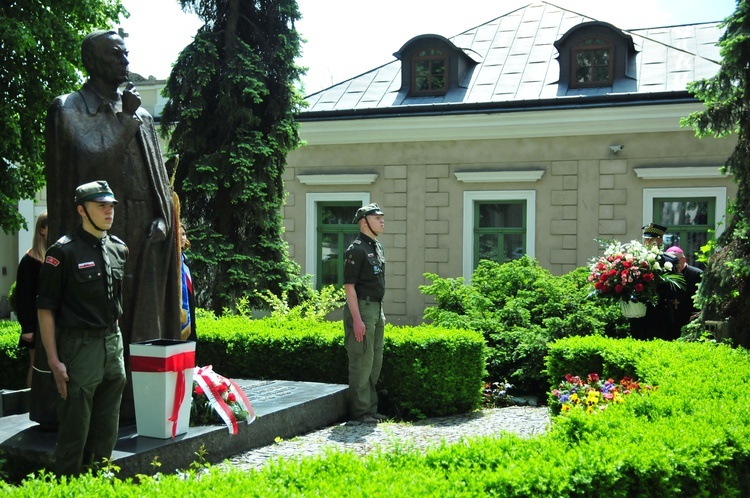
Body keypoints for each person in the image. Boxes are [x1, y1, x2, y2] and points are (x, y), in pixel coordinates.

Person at [42, 30, 181, 423]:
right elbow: (87, 168)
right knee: (102, 315)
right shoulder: (68, 108)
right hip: (96, 235)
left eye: (125, 53)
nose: (124, 59)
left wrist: (162, 217)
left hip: (144, 232)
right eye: (114, 53)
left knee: (143, 320)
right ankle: (99, 408)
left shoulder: (140, 112)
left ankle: (141, 402)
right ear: (93, 61)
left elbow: (159, 178)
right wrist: (122, 124)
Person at [36, 181, 128, 476]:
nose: (108, 211)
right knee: (75, 430)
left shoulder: (118, 248)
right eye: (101, 205)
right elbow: (45, 308)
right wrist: (53, 360)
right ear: (81, 210)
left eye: (111, 205)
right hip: (79, 348)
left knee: (107, 425)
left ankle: (98, 482)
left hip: (112, 343)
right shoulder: (62, 252)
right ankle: (67, 485)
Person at [343, 203, 387, 424]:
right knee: (362, 360)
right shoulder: (356, 250)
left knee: (374, 360)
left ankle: (369, 408)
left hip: (377, 308)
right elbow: (349, 287)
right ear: (364, 222)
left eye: (381, 218)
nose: (382, 221)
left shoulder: (375, 247)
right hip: (362, 308)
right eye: (377, 218)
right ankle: (359, 412)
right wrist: (358, 320)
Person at [629, 223, 680, 340]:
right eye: (646, 239)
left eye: (652, 239)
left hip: (661, 310)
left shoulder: (670, 261)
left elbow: (675, 287)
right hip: (640, 310)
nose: (648, 242)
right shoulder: (636, 259)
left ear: (660, 240)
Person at [15, 211, 48, 388]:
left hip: (52, 321)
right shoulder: (28, 262)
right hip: (35, 323)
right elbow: (23, 297)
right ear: (42, 230)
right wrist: (27, 328)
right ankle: (30, 408)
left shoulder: (53, 258)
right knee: (35, 365)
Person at [664, 246, 704, 336]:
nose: (673, 265)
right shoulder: (664, 275)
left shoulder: (697, 274)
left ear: (683, 260)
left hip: (689, 319)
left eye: (675, 261)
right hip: (669, 322)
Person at [179, 223, 197, 341]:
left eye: (184, 234)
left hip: (189, 310)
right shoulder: (170, 261)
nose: (182, 238)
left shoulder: (185, 261)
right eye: (178, 234)